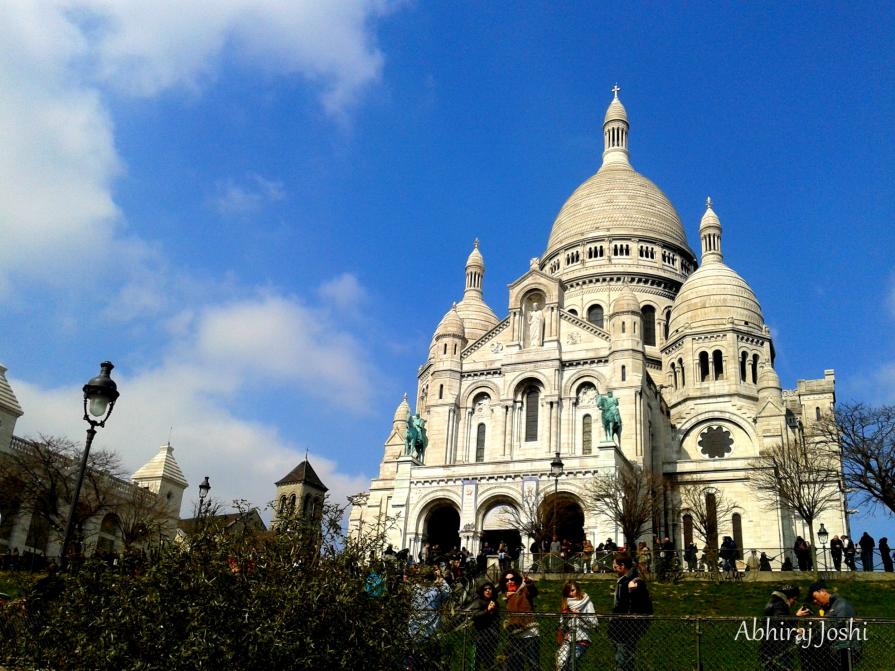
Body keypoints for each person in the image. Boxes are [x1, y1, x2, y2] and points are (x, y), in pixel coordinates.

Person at [797, 582, 861, 670]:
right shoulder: (828, 609)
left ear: (823, 591)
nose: (814, 601)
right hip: (833, 654)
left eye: (814, 597)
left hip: (844, 652)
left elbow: (835, 628)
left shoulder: (841, 605)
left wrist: (814, 634)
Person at [608, 552, 652, 671]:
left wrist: (633, 591)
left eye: (615, 565)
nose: (614, 568)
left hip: (626, 626)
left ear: (622, 566)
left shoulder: (633, 582)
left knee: (623, 659)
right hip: (620, 626)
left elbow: (637, 604)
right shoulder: (623, 581)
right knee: (623, 657)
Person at [501, 569, 540, 671]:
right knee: (517, 665)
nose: (509, 581)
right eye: (507, 580)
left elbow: (533, 592)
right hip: (515, 634)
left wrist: (529, 583)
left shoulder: (524, 590)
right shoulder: (507, 596)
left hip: (530, 632)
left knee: (533, 664)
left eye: (512, 579)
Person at [555, 580, 597, 671]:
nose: (570, 594)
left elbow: (594, 623)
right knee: (561, 664)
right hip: (567, 639)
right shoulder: (566, 603)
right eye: (568, 592)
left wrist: (580, 616)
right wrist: (566, 621)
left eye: (573, 590)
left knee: (572, 663)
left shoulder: (586, 602)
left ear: (577, 589)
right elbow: (561, 623)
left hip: (581, 638)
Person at [758, 584, 800, 671]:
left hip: (768, 645)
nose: (794, 602)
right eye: (794, 599)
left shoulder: (773, 602)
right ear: (789, 597)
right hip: (778, 647)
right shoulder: (780, 605)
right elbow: (781, 624)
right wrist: (796, 618)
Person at [465, 582, 500, 671]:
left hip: (492, 638)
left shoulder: (495, 602)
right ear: (482, 591)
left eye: (489, 589)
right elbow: (474, 616)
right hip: (479, 638)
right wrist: (487, 610)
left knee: (489, 664)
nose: (488, 591)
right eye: (485, 589)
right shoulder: (479, 602)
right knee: (475, 664)